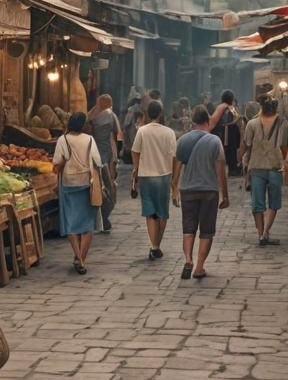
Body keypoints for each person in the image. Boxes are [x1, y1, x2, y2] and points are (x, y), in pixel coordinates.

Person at [172, 105, 229, 280]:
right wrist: (224, 194)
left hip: (187, 189)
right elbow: (220, 169)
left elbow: (177, 167)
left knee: (188, 229)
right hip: (209, 190)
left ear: (193, 122)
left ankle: (188, 259)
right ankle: (199, 267)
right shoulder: (214, 141)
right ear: (207, 121)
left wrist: (174, 189)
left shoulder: (182, 140)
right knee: (206, 230)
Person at [53, 111, 102, 274]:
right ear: (83, 125)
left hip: (68, 184)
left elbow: (56, 163)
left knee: (71, 223)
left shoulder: (63, 139)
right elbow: (98, 161)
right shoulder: (89, 140)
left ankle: (78, 258)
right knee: (87, 225)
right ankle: (81, 259)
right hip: (87, 184)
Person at [130, 100, 177, 260]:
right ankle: (157, 245)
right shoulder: (169, 132)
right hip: (164, 175)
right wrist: (174, 180)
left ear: (147, 114)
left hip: (146, 176)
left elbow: (135, 151)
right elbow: (174, 155)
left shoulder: (142, 131)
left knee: (150, 213)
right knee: (162, 213)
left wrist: (136, 168)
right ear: (161, 113)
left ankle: (153, 245)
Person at [241, 97, 288, 246]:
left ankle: (260, 234)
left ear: (261, 107)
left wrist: (243, 162)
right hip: (275, 166)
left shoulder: (252, 124)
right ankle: (266, 232)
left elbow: (247, 145)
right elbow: (285, 146)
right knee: (273, 203)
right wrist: (287, 164)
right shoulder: (283, 124)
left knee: (257, 203)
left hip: (256, 166)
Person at [87, 94, 122, 232]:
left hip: (92, 155)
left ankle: (98, 218)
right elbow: (118, 135)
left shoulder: (91, 115)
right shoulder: (111, 116)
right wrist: (117, 155)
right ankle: (104, 218)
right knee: (109, 188)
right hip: (105, 156)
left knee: (96, 188)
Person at [209, 89, 243, 176]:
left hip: (226, 133)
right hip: (225, 133)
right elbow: (218, 121)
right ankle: (232, 170)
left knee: (228, 152)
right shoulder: (225, 107)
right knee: (229, 152)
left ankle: (231, 169)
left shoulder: (224, 106)